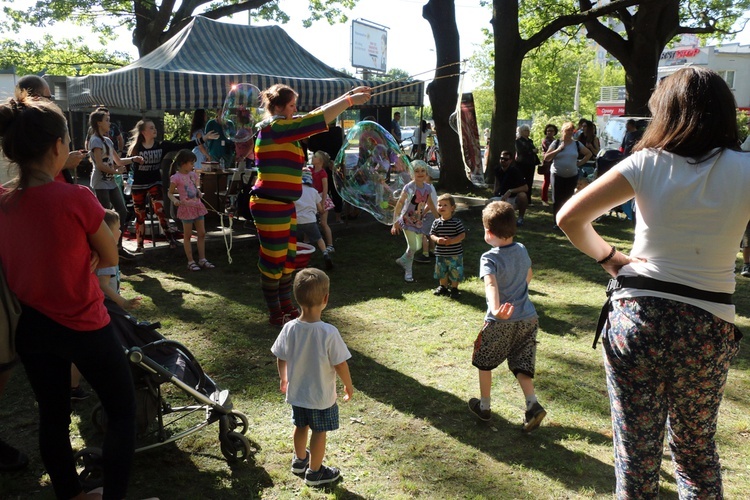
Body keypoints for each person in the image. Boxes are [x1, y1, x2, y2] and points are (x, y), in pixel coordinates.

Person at [556, 67, 747, 498]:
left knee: (635, 454)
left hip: (637, 319)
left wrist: (609, 257)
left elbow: (569, 218)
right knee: (696, 453)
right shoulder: (746, 169)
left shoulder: (647, 162)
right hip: (706, 326)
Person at [0, 93, 137, 499]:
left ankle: (70, 494)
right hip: (85, 325)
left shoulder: (4, 201)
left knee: (53, 417)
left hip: (33, 327)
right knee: (122, 411)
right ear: (59, 146)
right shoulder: (77, 198)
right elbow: (110, 252)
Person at [251, 83, 371, 325]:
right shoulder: (275, 128)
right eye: (292, 105)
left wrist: (347, 96)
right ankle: (275, 312)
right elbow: (314, 120)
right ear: (277, 108)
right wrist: (349, 102)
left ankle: (286, 306)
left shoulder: (285, 128)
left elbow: (314, 115)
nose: (296, 110)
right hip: (269, 204)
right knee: (274, 259)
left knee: (287, 259)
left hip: (285, 204)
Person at [270, 268, 353, 487]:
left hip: (297, 393)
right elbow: (341, 363)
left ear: (296, 298)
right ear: (325, 299)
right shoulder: (328, 332)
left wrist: (283, 379)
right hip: (320, 397)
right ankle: (315, 472)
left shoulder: (289, 328)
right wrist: (348, 385)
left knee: (300, 426)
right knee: (319, 431)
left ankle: (299, 460)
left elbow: (280, 356)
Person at [469, 201, 546, 433]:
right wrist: (517, 293)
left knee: (484, 360)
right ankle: (532, 404)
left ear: (488, 232)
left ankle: (484, 407)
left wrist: (495, 308)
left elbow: (490, 283)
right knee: (521, 362)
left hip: (501, 321)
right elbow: (528, 275)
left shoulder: (488, 257)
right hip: (528, 318)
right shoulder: (522, 249)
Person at [126, 119, 218, 252]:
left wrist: (203, 139)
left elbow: (182, 145)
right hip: (138, 185)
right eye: (151, 128)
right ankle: (140, 246)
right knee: (140, 215)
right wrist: (128, 180)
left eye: (154, 127)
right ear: (143, 132)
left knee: (160, 211)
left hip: (154, 182)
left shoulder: (161, 145)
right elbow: (129, 167)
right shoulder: (136, 149)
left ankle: (170, 239)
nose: (154, 130)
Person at [88, 108, 144, 258]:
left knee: (122, 211)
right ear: (99, 122)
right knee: (106, 215)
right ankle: (105, 248)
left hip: (111, 182)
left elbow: (118, 161)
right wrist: (116, 172)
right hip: (100, 183)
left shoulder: (107, 141)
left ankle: (118, 247)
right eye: (106, 120)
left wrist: (133, 159)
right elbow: (99, 165)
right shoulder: (95, 140)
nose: (109, 122)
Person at [14, 75, 86, 183]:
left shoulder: (21, 123)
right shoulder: (25, 127)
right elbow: (21, 174)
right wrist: (64, 163)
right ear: (36, 98)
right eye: (49, 97)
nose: (51, 102)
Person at [391, 161, 439, 283]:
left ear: (426, 173)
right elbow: (400, 203)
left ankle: (403, 259)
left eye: (423, 171)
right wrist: (395, 221)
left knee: (417, 246)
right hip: (407, 220)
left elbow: (431, 205)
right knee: (412, 246)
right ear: (412, 173)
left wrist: (439, 219)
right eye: (417, 171)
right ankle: (408, 270)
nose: (420, 173)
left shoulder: (427, 188)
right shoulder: (409, 187)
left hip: (418, 221)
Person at [167, 150, 214, 272]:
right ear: (183, 163)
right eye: (191, 163)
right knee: (187, 235)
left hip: (197, 207)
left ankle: (202, 259)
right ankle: (190, 261)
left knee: (202, 233)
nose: (193, 165)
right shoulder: (176, 177)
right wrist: (175, 200)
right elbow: (170, 193)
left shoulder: (193, 175)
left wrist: (198, 192)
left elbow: (195, 188)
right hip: (186, 209)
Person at [543, 122, 592, 229]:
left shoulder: (577, 144)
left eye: (571, 130)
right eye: (567, 130)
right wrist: (558, 150)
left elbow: (589, 154)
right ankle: (557, 222)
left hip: (572, 175)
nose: (569, 133)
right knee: (557, 199)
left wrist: (579, 163)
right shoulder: (556, 143)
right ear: (562, 131)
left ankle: (567, 221)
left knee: (568, 199)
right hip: (557, 174)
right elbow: (546, 158)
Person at [97, 210, 142, 310]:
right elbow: (102, 284)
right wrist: (123, 302)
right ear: (107, 233)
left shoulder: (102, 252)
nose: (121, 232)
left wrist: (114, 286)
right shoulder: (107, 257)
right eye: (118, 228)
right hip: (108, 307)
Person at [294, 170, 333, 270]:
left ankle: (291, 258)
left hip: (296, 221)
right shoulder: (314, 192)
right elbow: (320, 209)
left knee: (292, 239)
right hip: (310, 220)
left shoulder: (295, 191)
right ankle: (325, 254)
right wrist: (322, 211)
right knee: (319, 239)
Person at [429, 193, 466, 298]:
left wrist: (453, 241)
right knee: (442, 271)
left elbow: (462, 235)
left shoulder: (456, 222)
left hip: (455, 253)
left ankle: (454, 288)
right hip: (441, 253)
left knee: (455, 271)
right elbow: (432, 234)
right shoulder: (436, 222)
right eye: (440, 205)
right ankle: (443, 286)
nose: (442, 207)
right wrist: (437, 239)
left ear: (452, 208)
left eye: (445, 205)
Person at [490, 151, 529, 226]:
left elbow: (525, 187)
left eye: (505, 159)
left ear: (510, 160)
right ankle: (497, 220)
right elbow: (497, 182)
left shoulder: (515, 171)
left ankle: (520, 218)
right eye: (501, 158)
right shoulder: (497, 169)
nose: (503, 161)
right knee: (488, 203)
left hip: (514, 198)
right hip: (502, 196)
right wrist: (495, 191)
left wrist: (510, 191)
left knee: (523, 195)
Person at [310, 151, 335, 252]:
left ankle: (330, 245)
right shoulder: (311, 170)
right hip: (313, 198)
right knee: (310, 220)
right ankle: (308, 241)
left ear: (320, 161)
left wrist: (323, 203)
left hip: (321, 198)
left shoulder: (322, 173)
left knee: (323, 223)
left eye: (315, 156)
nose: (312, 157)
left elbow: (325, 190)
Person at [514, 124, 538, 203]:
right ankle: (518, 198)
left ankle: (528, 199)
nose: (528, 132)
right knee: (520, 181)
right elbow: (521, 151)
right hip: (522, 163)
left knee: (529, 182)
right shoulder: (518, 141)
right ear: (521, 131)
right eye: (525, 130)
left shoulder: (530, 141)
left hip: (531, 164)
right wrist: (532, 151)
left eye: (528, 130)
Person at [539, 124, 557, 205]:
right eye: (548, 131)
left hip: (555, 163)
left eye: (551, 131)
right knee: (547, 181)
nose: (549, 132)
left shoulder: (555, 140)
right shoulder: (546, 141)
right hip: (547, 164)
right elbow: (550, 150)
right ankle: (544, 199)